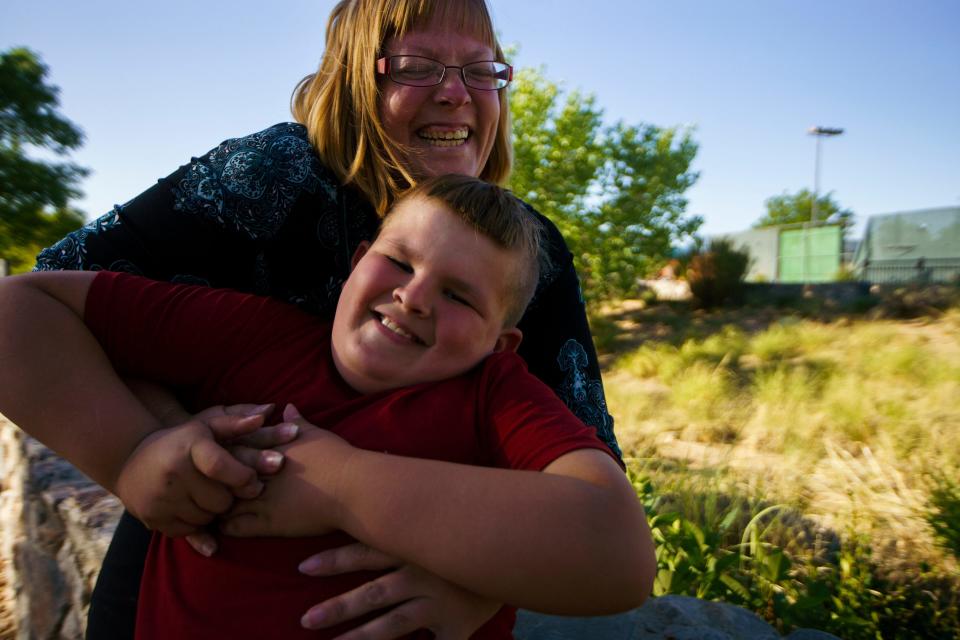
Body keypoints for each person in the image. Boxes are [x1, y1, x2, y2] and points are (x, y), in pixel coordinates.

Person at [31, 0, 621, 636]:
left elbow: (587, 463)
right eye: (418, 67)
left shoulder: (530, 251)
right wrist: (144, 446)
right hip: (201, 554)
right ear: (353, 83)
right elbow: (58, 297)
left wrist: (485, 577)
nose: (456, 93)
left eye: (481, 71)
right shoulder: (275, 175)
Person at [0, 176, 655, 639]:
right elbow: (17, 307)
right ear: (357, 261)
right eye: (399, 262)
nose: (415, 296)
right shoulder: (254, 334)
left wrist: (340, 484)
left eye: (460, 297)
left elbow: (619, 556)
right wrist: (132, 453)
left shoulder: (496, 396)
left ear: (499, 343)